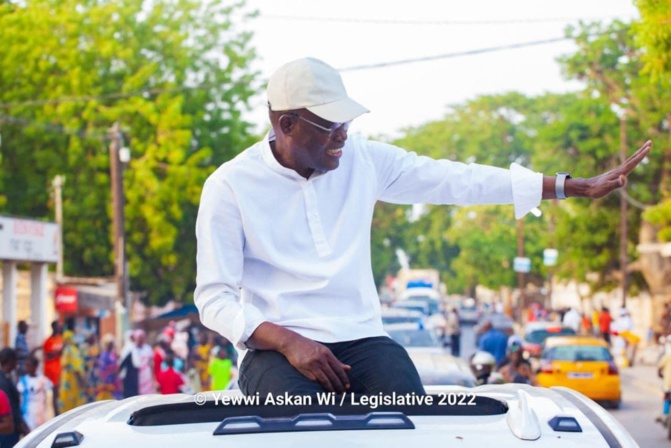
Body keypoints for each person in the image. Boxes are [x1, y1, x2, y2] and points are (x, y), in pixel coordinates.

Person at [193, 56, 652, 397]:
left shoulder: (363, 159)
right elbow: (214, 298)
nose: (344, 136)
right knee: (303, 429)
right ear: (287, 124)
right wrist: (290, 341)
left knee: (410, 416)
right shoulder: (229, 186)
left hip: (362, 339)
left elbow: (456, 179)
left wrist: (569, 186)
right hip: (275, 348)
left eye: (347, 123)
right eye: (331, 125)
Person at [0, 349, 30, 447]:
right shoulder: (3, 382)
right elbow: (12, 408)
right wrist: (22, 426)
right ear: (10, 361)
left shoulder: (6, 378)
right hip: (8, 431)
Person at [17, 356, 52, 431]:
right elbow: (20, 395)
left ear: (35, 367)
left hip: (40, 411)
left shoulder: (42, 379)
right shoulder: (23, 380)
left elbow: (50, 390)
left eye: (28, 365)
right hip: (28, 413)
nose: (26, 368)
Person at [58, 330, 86, 413]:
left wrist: (81, 380)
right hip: (72, 382)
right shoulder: (74, 350)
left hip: (70, 381)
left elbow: (75, 369)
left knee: (68, 408)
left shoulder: (68, 350)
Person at [42, 320, 63, 416]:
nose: (60, 328)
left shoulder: (60, 339)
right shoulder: (48, 341)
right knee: (50, 394)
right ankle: (54, 414)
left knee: (57, 394)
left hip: (59, 369)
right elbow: (48, 355)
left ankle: (57, 413)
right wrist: (58, 352)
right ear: (54, 327)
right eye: (58, 326)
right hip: (50, 370)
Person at [97, 334, 121, 400]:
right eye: (109, 344)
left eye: (112, 343)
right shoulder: (104, 355)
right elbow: (102, 368)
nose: (111, 345)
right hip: (108, 379)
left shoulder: (113, 353)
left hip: (115, 378)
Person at [132, 330, 155, 395]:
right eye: (139, 338)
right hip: (138, 374)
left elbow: (151, 362)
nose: (141, 339)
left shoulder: (148, 348)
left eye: (142, 337)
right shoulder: (133, 349)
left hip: (147, 373)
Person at [118, 331, 139, 398]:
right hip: (128, 374)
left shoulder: (133, 347)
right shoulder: (127, 349)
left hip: (133, 373)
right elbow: (123, 363)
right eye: (132, 337)